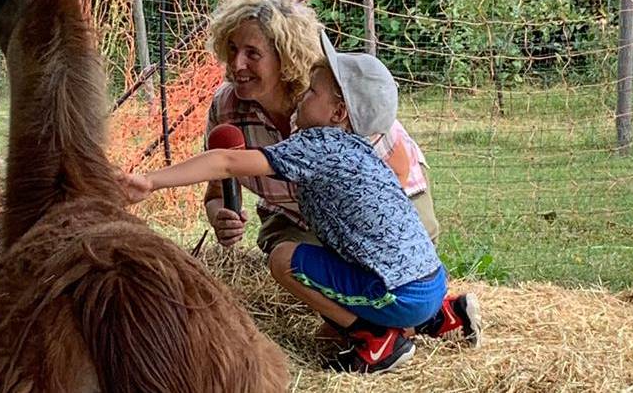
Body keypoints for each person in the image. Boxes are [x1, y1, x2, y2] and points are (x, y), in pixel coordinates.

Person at [121, 34, 481, 373]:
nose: (302, 96)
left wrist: (151, 181)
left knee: (284, 260)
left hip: (402, 293)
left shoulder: (318, 146)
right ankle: (444, 315)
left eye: (312, 91)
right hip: (431, 283)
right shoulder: (363, 149)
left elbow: (227, 161)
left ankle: (376, 340)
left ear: (338, 113)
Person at [202, 0, 439, 256]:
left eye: (252, 53)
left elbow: (398, 172)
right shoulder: (226, 108)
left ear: (285, 56)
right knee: (284, 254)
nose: (236, 64)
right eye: (231, 49)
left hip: (385, 205)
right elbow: (217, 191)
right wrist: (220, 216)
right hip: (299, 215)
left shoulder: (328, 102)